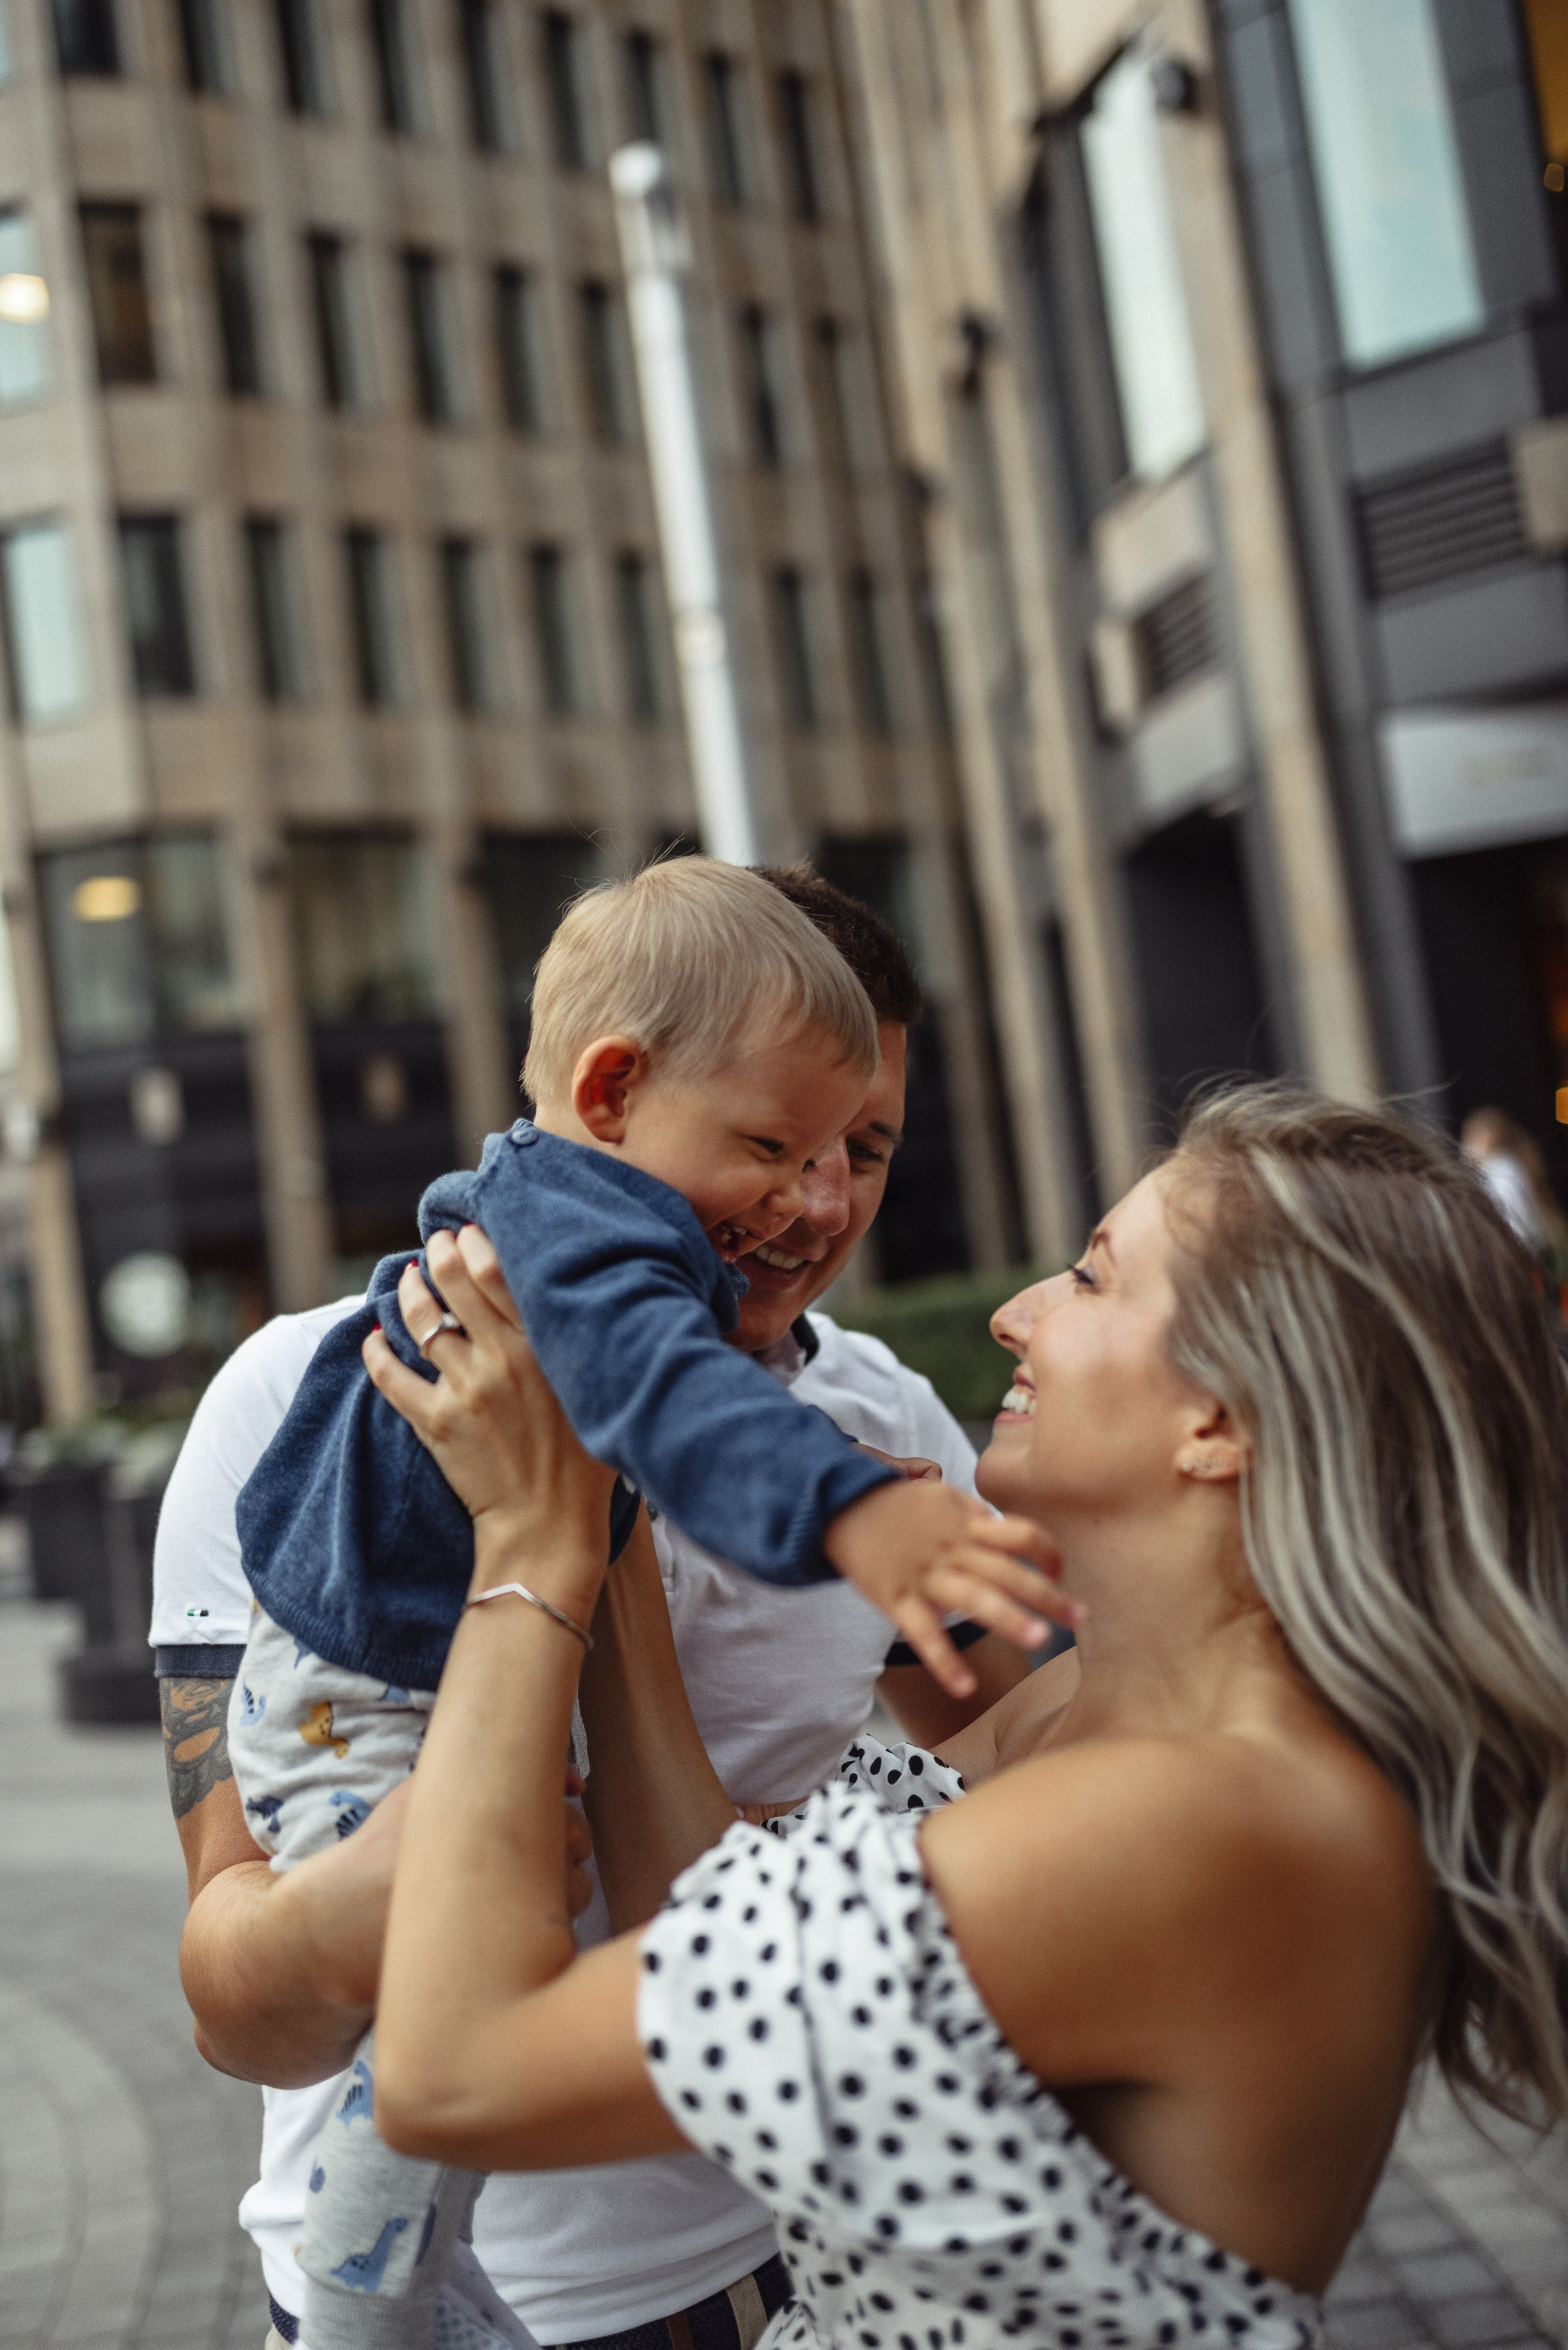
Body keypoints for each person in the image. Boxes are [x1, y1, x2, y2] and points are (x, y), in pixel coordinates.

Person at [364, 1085, 1568, 2350]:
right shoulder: (1097, 1711)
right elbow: (714, 1915)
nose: (1016, 1310)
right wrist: (612, 1479)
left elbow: (456, 2074)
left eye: (1093, 1281)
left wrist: (528, 1548)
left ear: (1220, 1420)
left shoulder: (1186, 1820)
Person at [152, 867, 1031, 2350]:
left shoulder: (882, 1413)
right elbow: (235, 2009)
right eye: (772, 1141)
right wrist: (836, 1507)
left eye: (861, 1149)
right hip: (424, 2234)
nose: (813, 1200)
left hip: (750, 2277)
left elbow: (1022, 1759)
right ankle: (374, 2284)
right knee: (442, 2022)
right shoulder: (376, 1355)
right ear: (619, 1088)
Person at [1459, 1106, 1566, 1262]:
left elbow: (1517, 1227)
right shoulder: (1508, 1165)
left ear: (1486, 1137)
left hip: (1525, 1258)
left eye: (1470, 1136)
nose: (1465, 1145)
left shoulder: (1500, 1170)